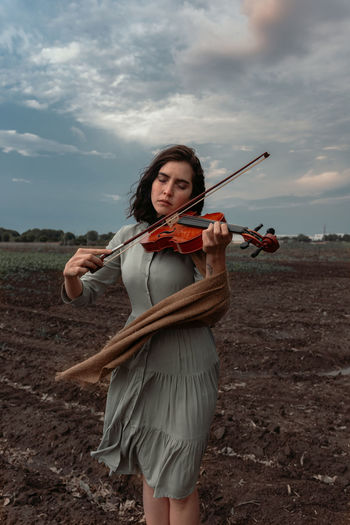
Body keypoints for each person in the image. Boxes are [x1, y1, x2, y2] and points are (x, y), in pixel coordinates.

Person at [62, 145, 232, 525]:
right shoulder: (128, 236)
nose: (168, 190)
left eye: (181, 185)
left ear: (194, 195)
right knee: (150, 473)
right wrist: (71, 277)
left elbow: (216, 307)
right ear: (150, 182)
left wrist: (217, 257)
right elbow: (84, 296)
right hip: (138, 364)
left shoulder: (200, 240)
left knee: (181, 481)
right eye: (162, 179)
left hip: (188, 366)